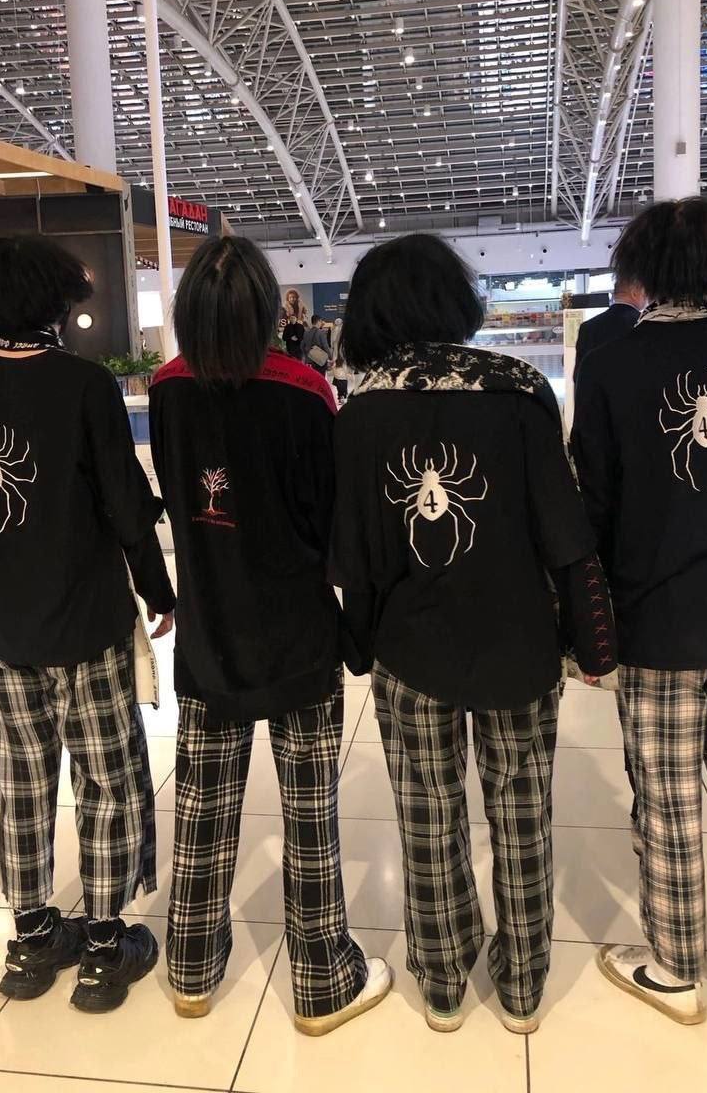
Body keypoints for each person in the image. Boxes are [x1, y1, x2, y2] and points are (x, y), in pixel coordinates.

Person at [330, 232, 617, 1035]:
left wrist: (357, 645)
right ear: (457, 299)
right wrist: (587, 639)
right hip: (518, 642)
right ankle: (523, 985)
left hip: (411, 647)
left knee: (428, 818)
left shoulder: (363, 411)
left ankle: (444, 981)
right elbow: (565, 534)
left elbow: (358, 557)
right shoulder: (521, 390)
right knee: (523, 814)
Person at [149, 235, 392, 1036]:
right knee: (310, 818)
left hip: (208, 630)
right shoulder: (305, 391)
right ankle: (321, 981)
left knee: (202, 813)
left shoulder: (167, 390)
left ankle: (191, 971)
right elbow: (331, 522)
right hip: (297, 635)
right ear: (266, 311)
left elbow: (179, 496)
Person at [0, 235, 175, 1013]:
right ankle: (104, 946)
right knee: (107, 780)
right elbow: (125, 503)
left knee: (21, 779)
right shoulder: (83, 385)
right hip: (86, 624)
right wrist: (159, 590)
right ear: (53, 303)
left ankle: (32, 940)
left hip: (1, 629)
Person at [571, 198, 707, 1025]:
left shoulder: (612, 363)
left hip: (656, 615)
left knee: (667, 803)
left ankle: (673, 966)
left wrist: (586, 621)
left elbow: (593, 503)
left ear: (641, 271)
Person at [573, 278, 646, 384]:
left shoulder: (588, 327)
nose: (646, 298)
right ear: (634, 293)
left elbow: (579, 376)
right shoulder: (645, 324)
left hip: (599, 392)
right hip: (637, 391)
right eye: (644, 294)